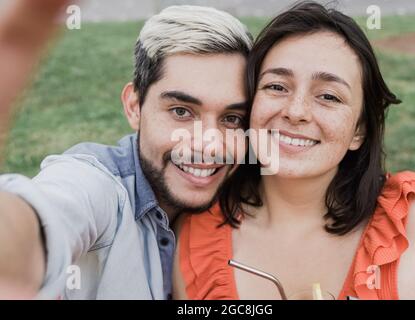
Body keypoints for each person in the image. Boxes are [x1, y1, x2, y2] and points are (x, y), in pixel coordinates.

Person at [173, 1, 415, 300]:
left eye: (329, 96)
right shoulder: (194, 238)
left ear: (359, 130)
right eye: (277, 87)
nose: (296, 111)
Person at [0, 4, 253, 299]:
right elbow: (45, 215)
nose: (210, 145)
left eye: (232, 119)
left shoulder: (250, 196)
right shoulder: (98, 190)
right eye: (181, 111)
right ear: (134, 107)